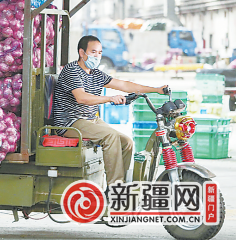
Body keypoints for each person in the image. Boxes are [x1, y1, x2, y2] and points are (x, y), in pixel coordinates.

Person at [53, 35, 167, 185]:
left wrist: (156, 90)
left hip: (90, 119)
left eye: (100, 53)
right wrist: (109, 98)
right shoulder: (72, 70)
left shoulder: (96, 74)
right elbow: (82, 98)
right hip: (70, 122)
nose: (97, 56)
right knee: (110, 136)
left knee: (126, 142)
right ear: (82, 53)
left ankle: (122, 184)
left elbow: (125, 85)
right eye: (93, 52)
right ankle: (115, 187)